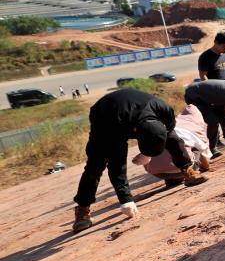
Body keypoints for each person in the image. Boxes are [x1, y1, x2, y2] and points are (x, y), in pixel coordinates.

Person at [72, 89, 207, 232]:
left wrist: (181, 162)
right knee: (96, 165)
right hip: (106, 114)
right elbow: (117, 166)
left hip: (137, 110)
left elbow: (174, 139)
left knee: (173, 139)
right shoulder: (114, 126)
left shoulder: (164, 111)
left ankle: (188, 172)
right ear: (135, 133)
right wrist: (126, 200)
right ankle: (82, 210)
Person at [132, 104, 212, 187]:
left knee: (153, 155)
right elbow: (203, 150)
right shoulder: (185, 129)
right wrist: (205, 167)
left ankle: (172, 180)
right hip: (184, 169)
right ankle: (187, 174)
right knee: (196, 148)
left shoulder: (151, 135)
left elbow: (140, 160)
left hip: (160, 174)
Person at [198, 31, 225, 143]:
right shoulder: (205, 57)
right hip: (214, 93)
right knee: (218, 117)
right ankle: (218, 141)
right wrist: (212, 92)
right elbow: (203, 76)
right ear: (216, 43)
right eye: (224, 46)